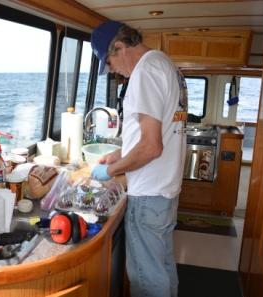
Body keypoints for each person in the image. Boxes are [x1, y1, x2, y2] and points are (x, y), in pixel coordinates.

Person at [90, 21, 188, 297]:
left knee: (146, 277)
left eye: (108, 62)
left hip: (149, 193)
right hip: (164, 191)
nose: (111, 70)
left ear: (119, 47)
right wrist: (118, 155)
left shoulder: (145, 72)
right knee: (162, 267)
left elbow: (151, 147)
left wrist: (110, 172)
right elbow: (157, 135)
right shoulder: (165, 64)